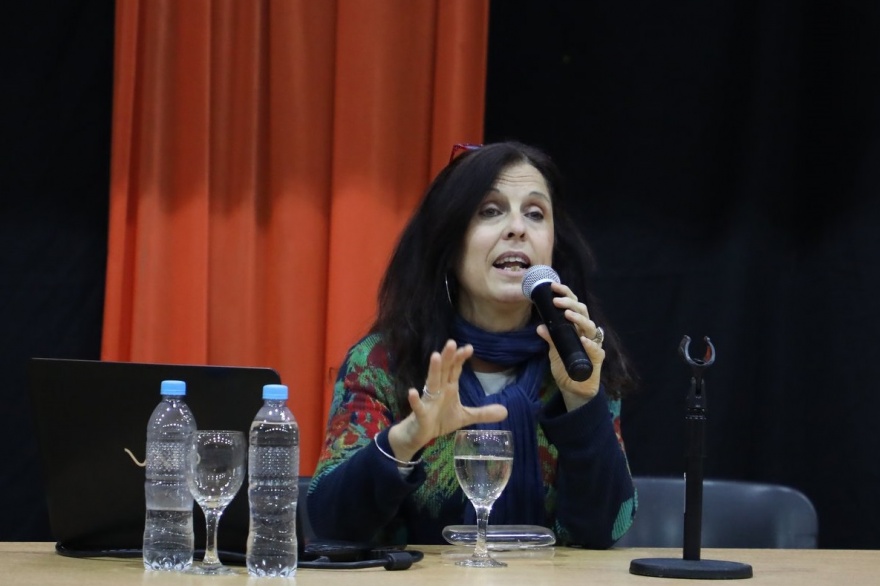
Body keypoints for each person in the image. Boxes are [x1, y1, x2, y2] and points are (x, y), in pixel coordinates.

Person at [308, 140, 638, 549]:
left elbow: (605, 531)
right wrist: (407, 439)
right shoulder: (385, 361)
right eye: (490, 210)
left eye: (535, 213)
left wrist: (582, 404)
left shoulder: (579, 356)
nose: (517, 228)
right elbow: (329, 525)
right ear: (450, 243)